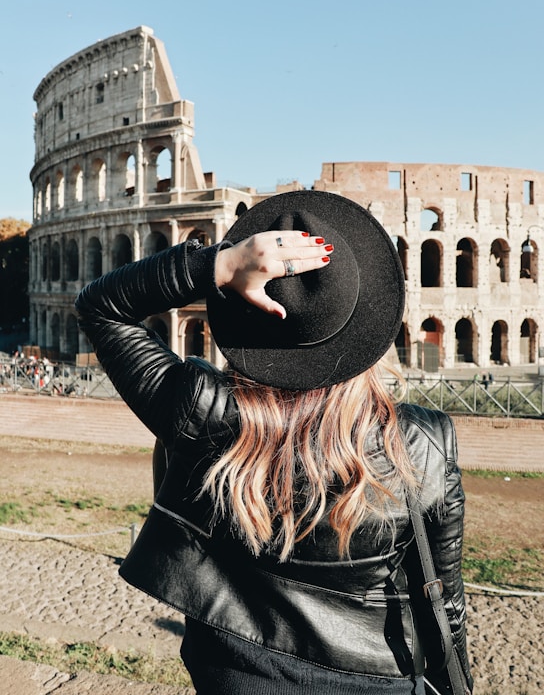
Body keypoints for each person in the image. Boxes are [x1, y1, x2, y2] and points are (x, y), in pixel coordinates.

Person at [75, 191, 472, 695]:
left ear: (246, 312)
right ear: (367, 323)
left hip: (234, 674)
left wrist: (219, 265)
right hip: (377, 677)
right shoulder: (422, 444)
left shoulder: (202, 413)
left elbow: (101, 306)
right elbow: (445, 600)